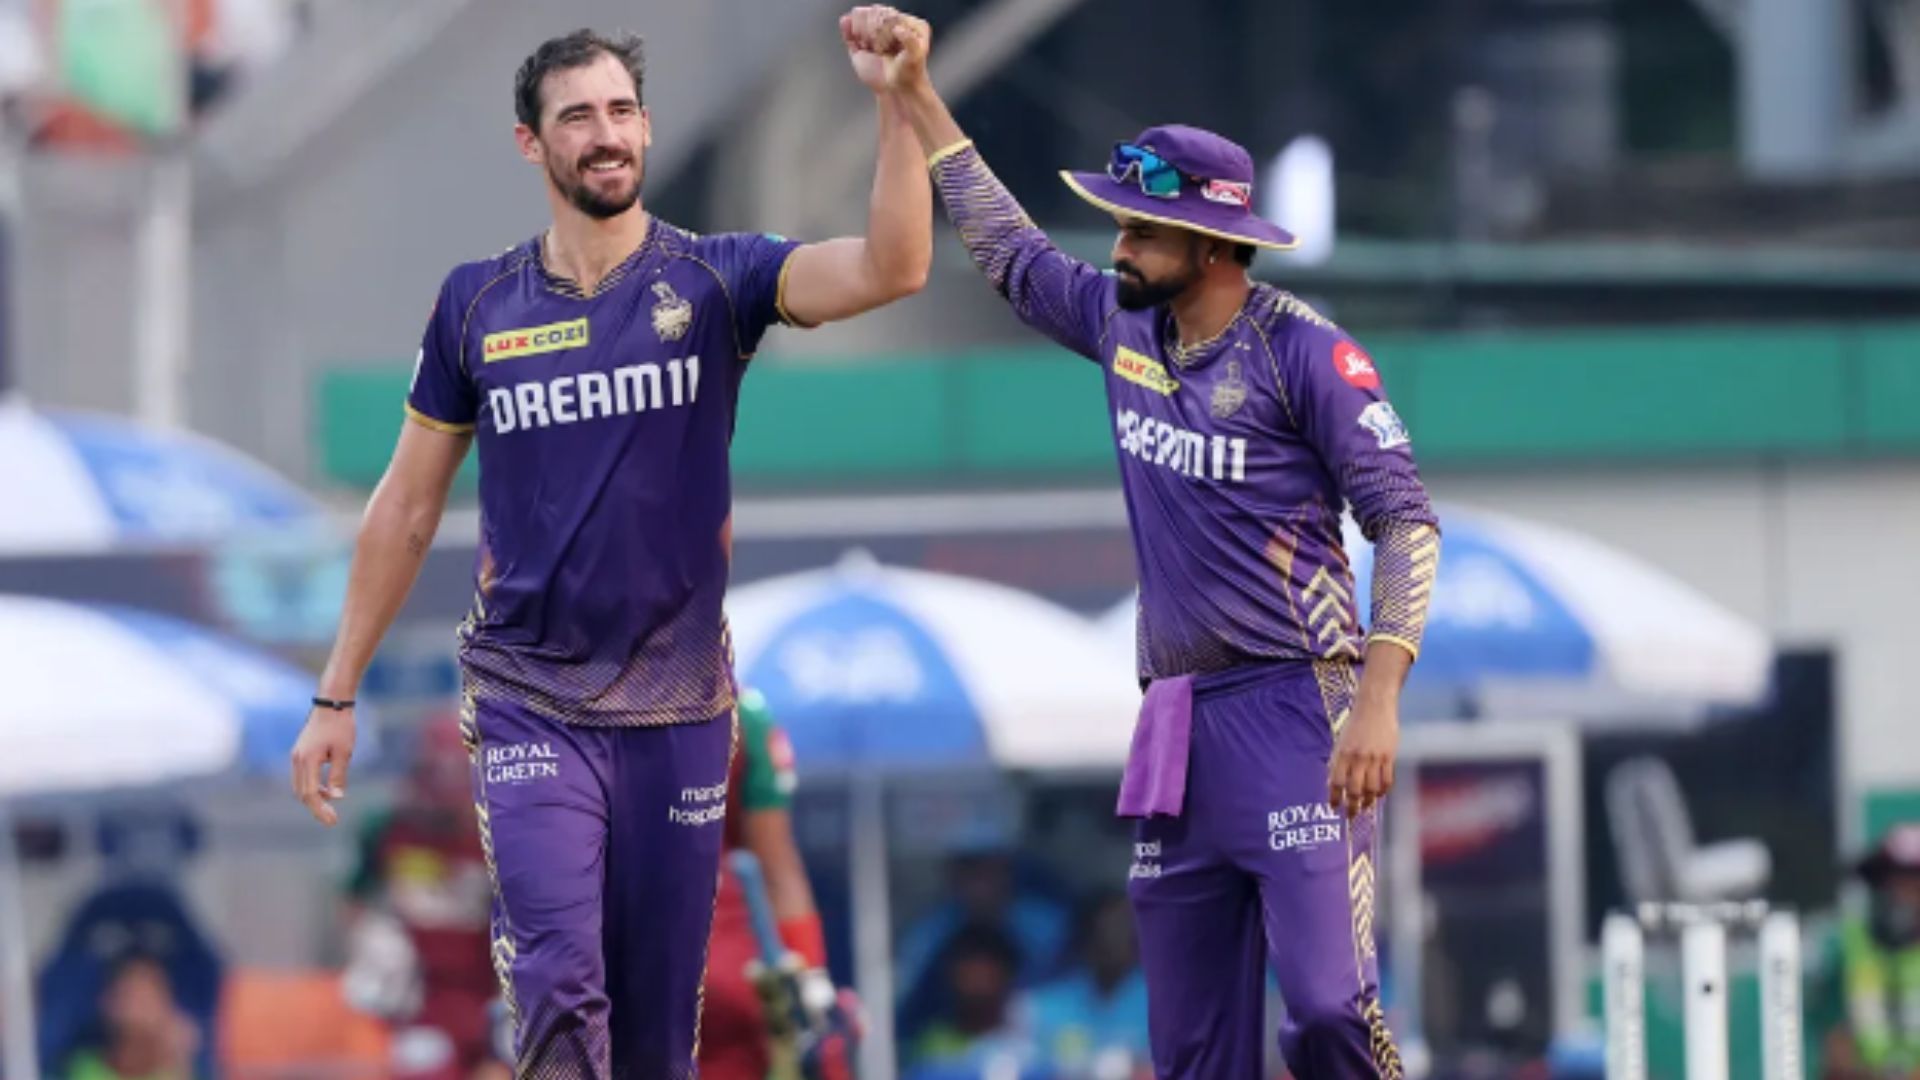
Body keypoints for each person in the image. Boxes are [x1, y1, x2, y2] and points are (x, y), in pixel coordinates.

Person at [288, 7, 935, 1075]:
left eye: (624, 112)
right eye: (578, 116)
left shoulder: (716, 279)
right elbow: (405, 508)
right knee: (556, 984)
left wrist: (899, 101)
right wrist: (336, 691)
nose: (607, 134)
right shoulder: (476, 306)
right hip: (529, 696)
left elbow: (893, 267)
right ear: (531, 144)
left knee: (651, 1038)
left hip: (681, 713)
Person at [892, 66, 1439, 1079]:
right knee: (1189, 1051)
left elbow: (1406, 521)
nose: (1121, 248)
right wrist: (917, 96)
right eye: (1120, 225)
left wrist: (1378, 699)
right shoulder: (1123, 326)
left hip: (1299, 710)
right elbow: (1012, 256)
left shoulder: (1306, 356)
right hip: (1177, 722)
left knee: (1326, 1009)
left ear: (1215, 243)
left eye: (1143, 231)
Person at [700, 686, 849, 1080]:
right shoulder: (741, 709)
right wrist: (812, 976)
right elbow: (777, 861)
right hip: (733, 967)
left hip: (617, 971)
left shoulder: (571, 699)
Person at [340, 713, 495, 1080]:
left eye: (458, 772)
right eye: (438, 771)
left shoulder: (505, 833)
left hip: (488, 989)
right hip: (420, 994)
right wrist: (372, 953)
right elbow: (354, 898)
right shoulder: (387, 826)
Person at [1816, 823, 1920, 1079]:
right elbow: (1830, 1040)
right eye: (1893, 880)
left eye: (1914, 882)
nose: (1903, 893)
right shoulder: (1849, 945)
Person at [1023, 892, 1151, 1079]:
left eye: (1120, 930)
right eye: (1102, 932)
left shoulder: (1163, 1004)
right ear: (1086, 938)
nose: (1110, 940)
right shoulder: (1042, 1005)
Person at [58, 954, 198, 1080]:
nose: (140, 1011)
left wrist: (182, 1063)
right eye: (131, 995)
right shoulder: (82, 1067)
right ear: (108, 1003)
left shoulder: (181, 1069)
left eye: (149, 997)